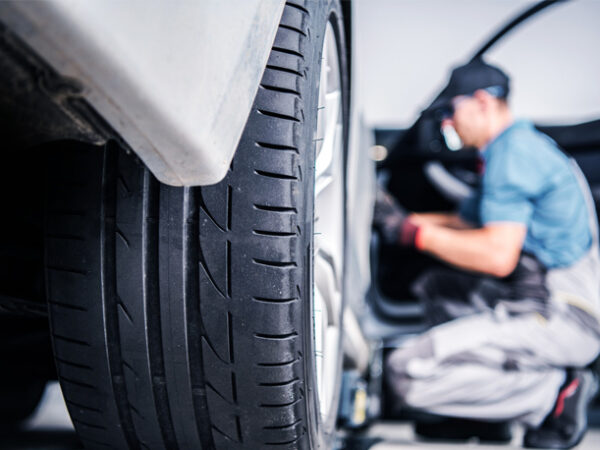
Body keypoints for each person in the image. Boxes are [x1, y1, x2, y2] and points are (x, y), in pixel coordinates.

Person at [375, 58, 600, 449]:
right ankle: (479, 418)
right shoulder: (514, 148)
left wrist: (410, 233)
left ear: (481, 102)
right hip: (536, 299)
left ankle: (554, 396)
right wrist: (395, 216)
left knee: (405, 371)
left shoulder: (513, 155)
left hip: (563, 315)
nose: (447, 122)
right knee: (439, 286)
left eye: (451, 110)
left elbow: (498, 256)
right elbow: (464, 222)